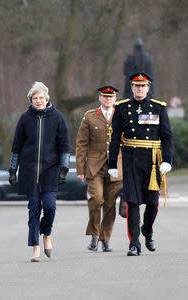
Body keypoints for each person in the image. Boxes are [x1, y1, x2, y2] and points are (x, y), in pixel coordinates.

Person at [108, 72, 173, 256]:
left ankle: (148, 231)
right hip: (131, 160)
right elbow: (114, 139)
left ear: (148, 88)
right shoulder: (121, 108)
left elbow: (167, 137)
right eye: (137, 86)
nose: (139, 89)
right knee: (132, 202)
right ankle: (134, 244)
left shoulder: (158, 108)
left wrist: (167, 160)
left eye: (143, 86)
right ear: (132, 87)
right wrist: (112, 164)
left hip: (152, 161)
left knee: (152, 203)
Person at [8, 81, 70, 262]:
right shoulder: (25, 119)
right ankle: (35, 248)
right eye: (35, 98)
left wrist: (64, 169)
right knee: (34, 209)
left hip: (50, 170)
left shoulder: (57, 117)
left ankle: (47, 234)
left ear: (46, 98)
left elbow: (65, 146)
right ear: (31, 100)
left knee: (50, 207)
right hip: (29, 171)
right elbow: (16, 147)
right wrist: (13, 170)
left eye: (41, 98)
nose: (38, 101)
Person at [76, 86, 123, 252]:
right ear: (100, 98)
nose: (108, 99)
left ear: (115, 98)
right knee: (96, 199)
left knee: (110, 205)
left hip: (116, 166)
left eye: (111, 97)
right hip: (95, 167)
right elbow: (81, 144)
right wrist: (80, 169)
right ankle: (94, 235)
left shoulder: (121, 115)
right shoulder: (89, 117)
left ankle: (106, 239)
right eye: (105, 96)